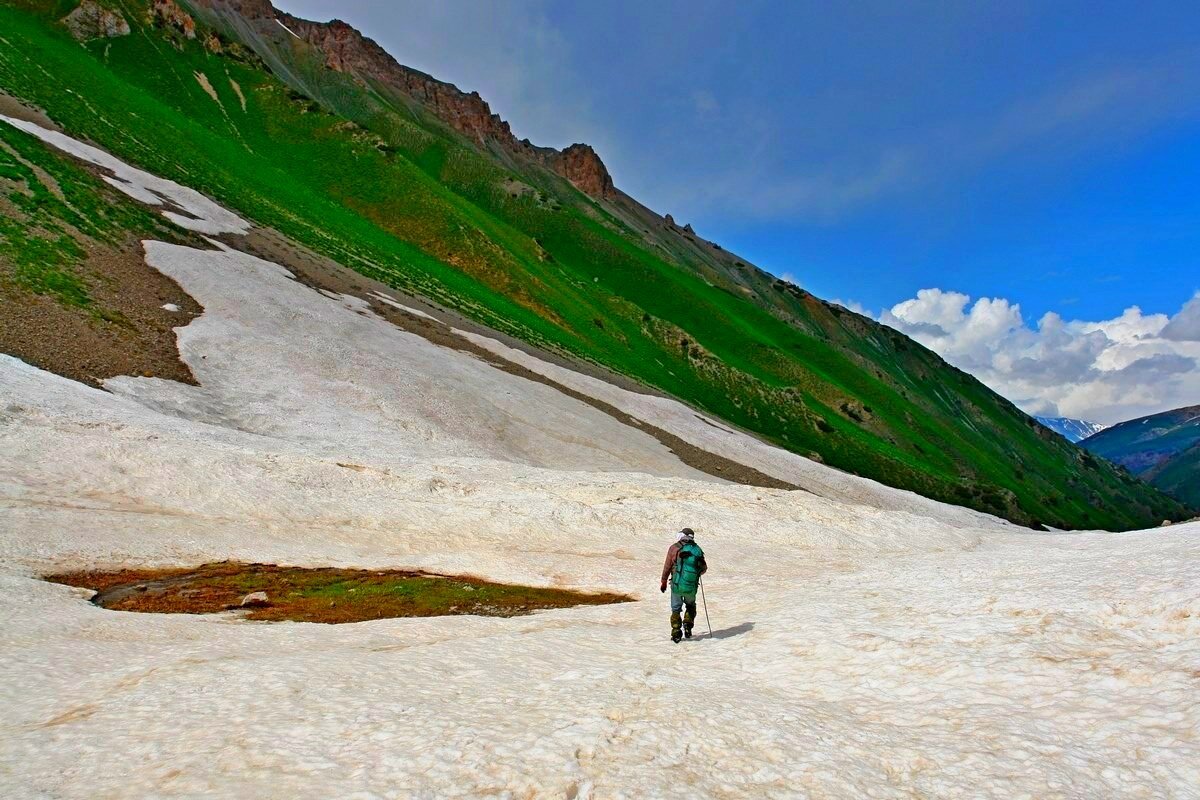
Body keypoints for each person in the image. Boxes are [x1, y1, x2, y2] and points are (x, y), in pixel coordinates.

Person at [660, 527, 707, 643]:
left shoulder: (674, 548)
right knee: (690, 605)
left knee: (676, 608)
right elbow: (703, 569)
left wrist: (664, 581)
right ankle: (687, 625)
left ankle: (676, 632)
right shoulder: (697, 549)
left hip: (676, 584)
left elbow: (667, 566)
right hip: (691, 586)